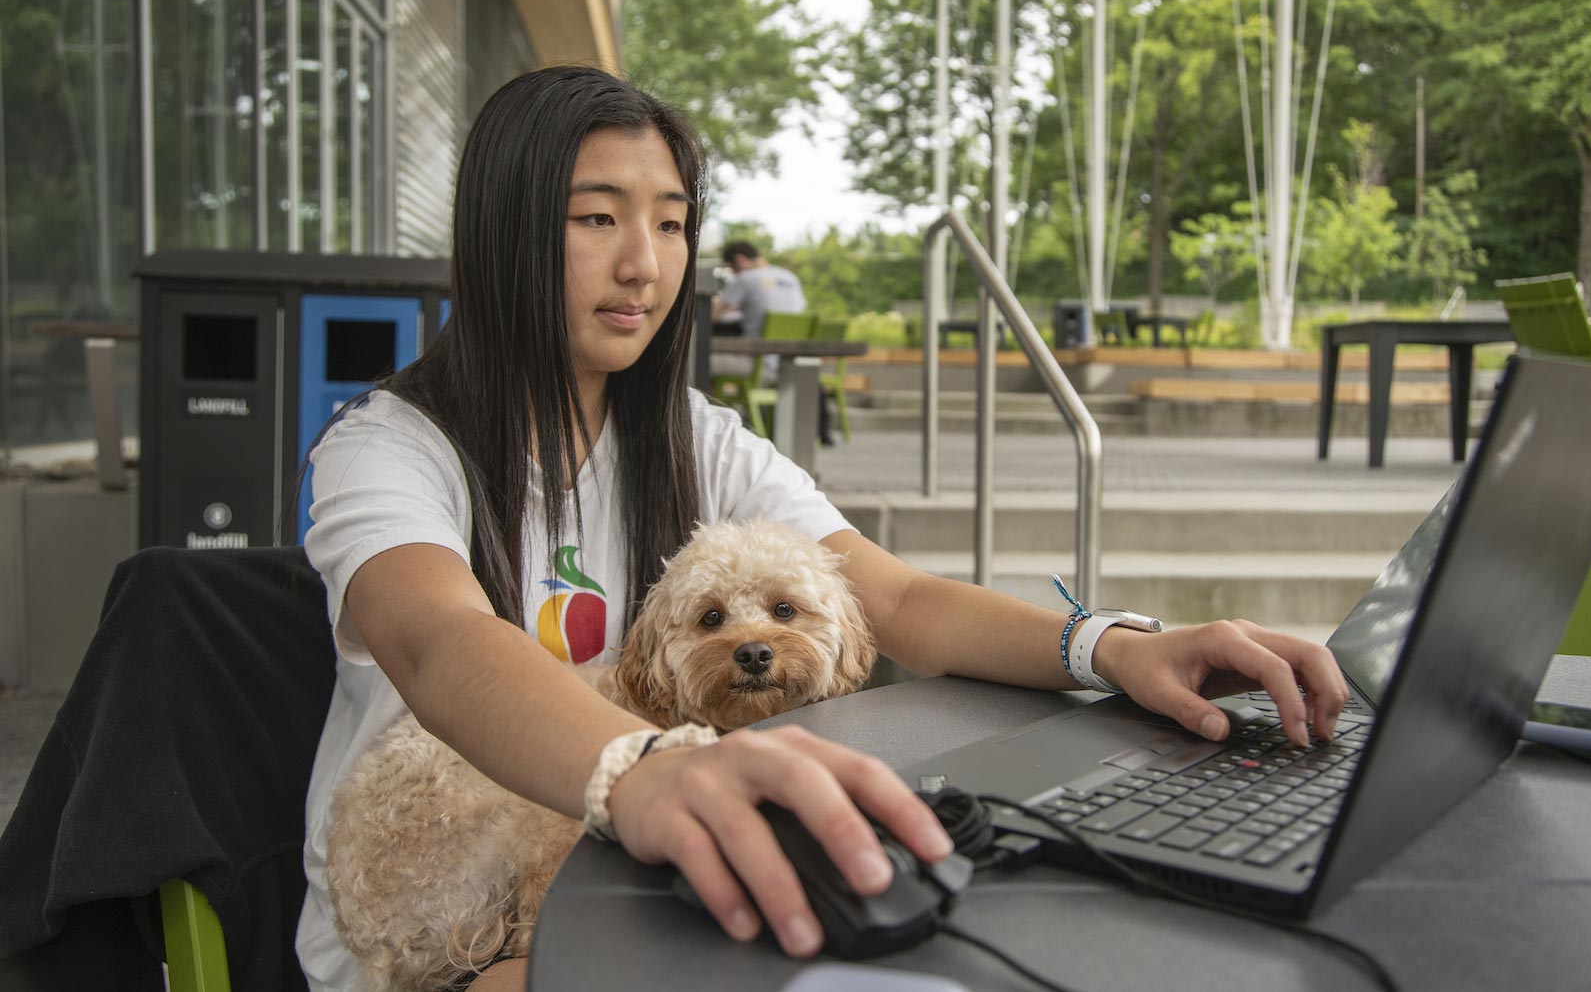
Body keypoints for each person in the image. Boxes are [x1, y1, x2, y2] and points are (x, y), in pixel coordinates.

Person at [295, 66, 1347, 992]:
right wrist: (639, 766)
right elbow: (442, 639)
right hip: (443, 937)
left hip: (635, 870)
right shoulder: (387, 448)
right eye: (596, 217)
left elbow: (892, 600)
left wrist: (1112, 644)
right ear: (505, 233)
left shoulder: (695, 438)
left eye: (669, 221)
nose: (644, 265)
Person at [711, 241, 836, 443]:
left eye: (731, 267)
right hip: (790, 363)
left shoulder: (745, 278)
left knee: (697, 360)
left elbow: (712, 315)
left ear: (740, 260)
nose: (733, 272)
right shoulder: (790, 277)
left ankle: (711, 427)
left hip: (760, 364)